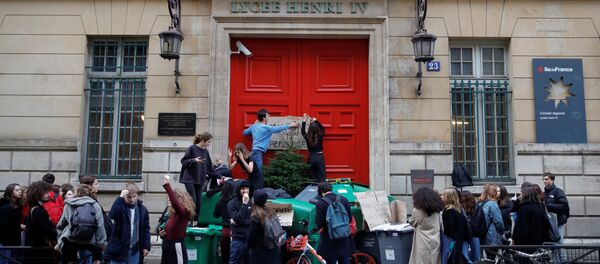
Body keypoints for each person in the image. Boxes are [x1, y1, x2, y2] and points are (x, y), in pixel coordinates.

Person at [242, 109, 299, 189]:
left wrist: (253, 125)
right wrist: (290, 125)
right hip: (258, 153)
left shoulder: (254, 126)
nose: (269, 116)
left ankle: (253, 190)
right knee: (259, 173)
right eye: (268, 115)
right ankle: (258, 191)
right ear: (264, 118)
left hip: (254, 152)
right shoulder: (266, 128)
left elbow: (244, 133)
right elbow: (278, 129)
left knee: (254, 172)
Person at [56, 185, 107, 264]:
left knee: (69, 258)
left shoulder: (69, 204)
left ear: (76, 193)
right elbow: (100, 225)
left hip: (71, 238)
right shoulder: (95, 205)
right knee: (97, 256)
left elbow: (62, 223)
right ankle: (96, 260)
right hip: (90, 240)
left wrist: (59, 238)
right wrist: (101, 243)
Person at [106, 182, 150, 264]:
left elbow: (146, 230)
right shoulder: (121, 206)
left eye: (134, 196)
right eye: (129, 197)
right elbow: (112, 215)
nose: (132, 199)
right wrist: (120, 198)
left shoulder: (142, 210)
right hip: (119, 248)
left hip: (134, 249)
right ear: (125, 197)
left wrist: (146, 246)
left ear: (137, 195)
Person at [180, 132, 216, 223]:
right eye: (208, 142)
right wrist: (194, 160)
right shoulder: (191, 148)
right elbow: (183, 161)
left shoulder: (205, 152)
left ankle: (195, 222)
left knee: (199, 202)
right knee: (193, 200)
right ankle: (189, 221)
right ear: (203, 141)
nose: (209, 144)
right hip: (189, 179)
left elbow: (209, 168)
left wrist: (221, 176)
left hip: (199, 180)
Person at [315, 182, 352, 264]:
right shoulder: (344, 199)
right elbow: (349, 219)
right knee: (345, 260)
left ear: (320, 191)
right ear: (331, 189)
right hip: (344, 238)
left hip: (329, 240)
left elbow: (319, 224)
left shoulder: (320, 203)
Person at [162, 175, 195, 264]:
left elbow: (175, 204)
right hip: (167, 246)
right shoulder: (173, 213)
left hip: (176, 246)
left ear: (180, 198)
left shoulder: (183, 212)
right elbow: (167, 230)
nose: (169, 199)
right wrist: (163, 233)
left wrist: (167, 185)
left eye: (171, 197)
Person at [24, 180, 58, 264]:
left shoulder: (37, 209)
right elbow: (45, 230)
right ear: (38, 194)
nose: (48, 195)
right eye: (45, 192)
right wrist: (57, 236)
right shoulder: (37, 210)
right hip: (38, 250)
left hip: (38, 249)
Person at [409, 187, 444, 264]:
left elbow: (411, 222)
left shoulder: (417, 211)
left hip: (422, 242)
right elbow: (441, 225)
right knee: (434, 260)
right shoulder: (437, 210)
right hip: (435, 241)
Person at [248, 190, 281, 264]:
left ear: (254, 200)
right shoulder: (271, 211)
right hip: (273, 249)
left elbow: (250, 239)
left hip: (260, 253)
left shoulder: (256, 216)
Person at [543, 172, 569, 262]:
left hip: (558, 223)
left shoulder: (558, 191)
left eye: (547, 179)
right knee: (553, 246)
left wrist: (549, 206)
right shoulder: (544, 193)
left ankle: (563, 261)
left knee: (560, 244)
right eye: (544, 179)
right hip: (549, 223)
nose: (545, 181)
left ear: (552, 180)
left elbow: (564, 205)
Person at [441, 189, 472, 264]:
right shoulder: (460, 213)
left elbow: (446, 231)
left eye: (443, 195)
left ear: (448, 198)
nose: (441, 196)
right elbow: (467, 232)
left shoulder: (447, 213)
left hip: (450, 245)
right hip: (458, 244)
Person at [227, 180, 253, 264]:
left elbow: (253, 220)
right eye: (243, 189)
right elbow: (239, 218)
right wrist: (244, 204)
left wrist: (242, 222)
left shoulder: (251, 202)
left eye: (247, 188)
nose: (245, 191)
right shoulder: (231, 204)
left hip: (249, 239)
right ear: (238, 189)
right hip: (238, 239)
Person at [0, 184, 25, 263]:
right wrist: (19, 226)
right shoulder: (5, 207)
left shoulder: (17, 206)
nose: (20, 192)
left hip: (15, 240)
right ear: (10, 192)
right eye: (17, 190)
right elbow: (3, 224)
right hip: (5, 241)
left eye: (20, 190)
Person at [213, 180, 235, 264]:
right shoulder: (235, 201)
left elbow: (215, 215)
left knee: (224, 254)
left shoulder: (220, 202)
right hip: (235, 230)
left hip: (225, 230)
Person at [301, 113, 326, 182]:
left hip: (311, 157)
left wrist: (304, 120)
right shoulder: (320, 135)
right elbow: (322, 128)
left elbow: (303, 132)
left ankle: (312, 191)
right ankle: (323, 190)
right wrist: (315, 120)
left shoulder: (307, 137)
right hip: (320, 157)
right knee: (322, 176)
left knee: (312, 177)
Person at [478, 184, 505, 249]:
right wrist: (502, 231)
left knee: (488, 257)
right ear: (493, 192)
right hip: (492, 237)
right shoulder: (492, 204)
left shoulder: (480, 203)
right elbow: (499, 222)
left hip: (482, 236)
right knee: (493, 256)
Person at [460, 191, 480, 262]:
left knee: (467, 256)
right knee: (473, 257)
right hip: (471, 235)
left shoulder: (476, 209)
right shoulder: (476, 208)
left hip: (469, 236)